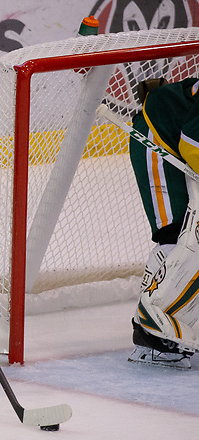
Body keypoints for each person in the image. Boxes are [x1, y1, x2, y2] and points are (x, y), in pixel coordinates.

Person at [127, 77, 199, 370]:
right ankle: (153, 336)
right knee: (178, 232)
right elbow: (193, 143)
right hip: (158, 137)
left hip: (182, 137)